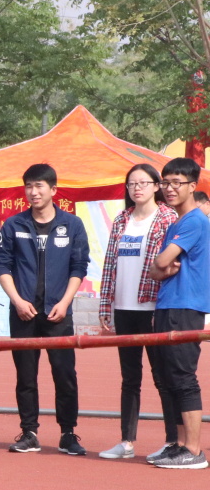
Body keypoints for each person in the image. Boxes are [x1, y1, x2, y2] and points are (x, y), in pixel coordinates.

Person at [0, 164, 90, 456]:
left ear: (53, 190)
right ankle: (29, 432)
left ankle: (68, 433)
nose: (33, 192)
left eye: (39, 186)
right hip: (24, 313)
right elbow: (2, 266)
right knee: (25, 374)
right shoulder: (13, 224)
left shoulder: (72, 225)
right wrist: (17, 301)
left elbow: (78, 267)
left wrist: (64, 303)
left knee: (64, 373)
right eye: (28, 187)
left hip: (58, 314)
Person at [95, 165, 178, 460]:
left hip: (153, 308)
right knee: (130, 378)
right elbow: (109, 265)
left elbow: (174, 266)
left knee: (163, 376)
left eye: (143, 182)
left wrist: (163, 308)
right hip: (124, 308)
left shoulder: (168, 217)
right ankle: (126, 441)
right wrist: (106, 304)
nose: (137, 188)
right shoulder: (121, 220)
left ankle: (173, 442)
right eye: (131, 184)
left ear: (156, 186)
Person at [148, 158, 209, 469]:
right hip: (168, 304)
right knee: (168, 378)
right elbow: (157, 270)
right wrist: (162, 265)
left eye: (177, 183)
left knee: (183, 378)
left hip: (185, 307)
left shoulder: (195, 221)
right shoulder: (176, 223)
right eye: (165, 182)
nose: (169, 189)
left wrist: (163, 264)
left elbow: (162, 262)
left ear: (192, 186)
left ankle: (195, 450)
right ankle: (181, 445)